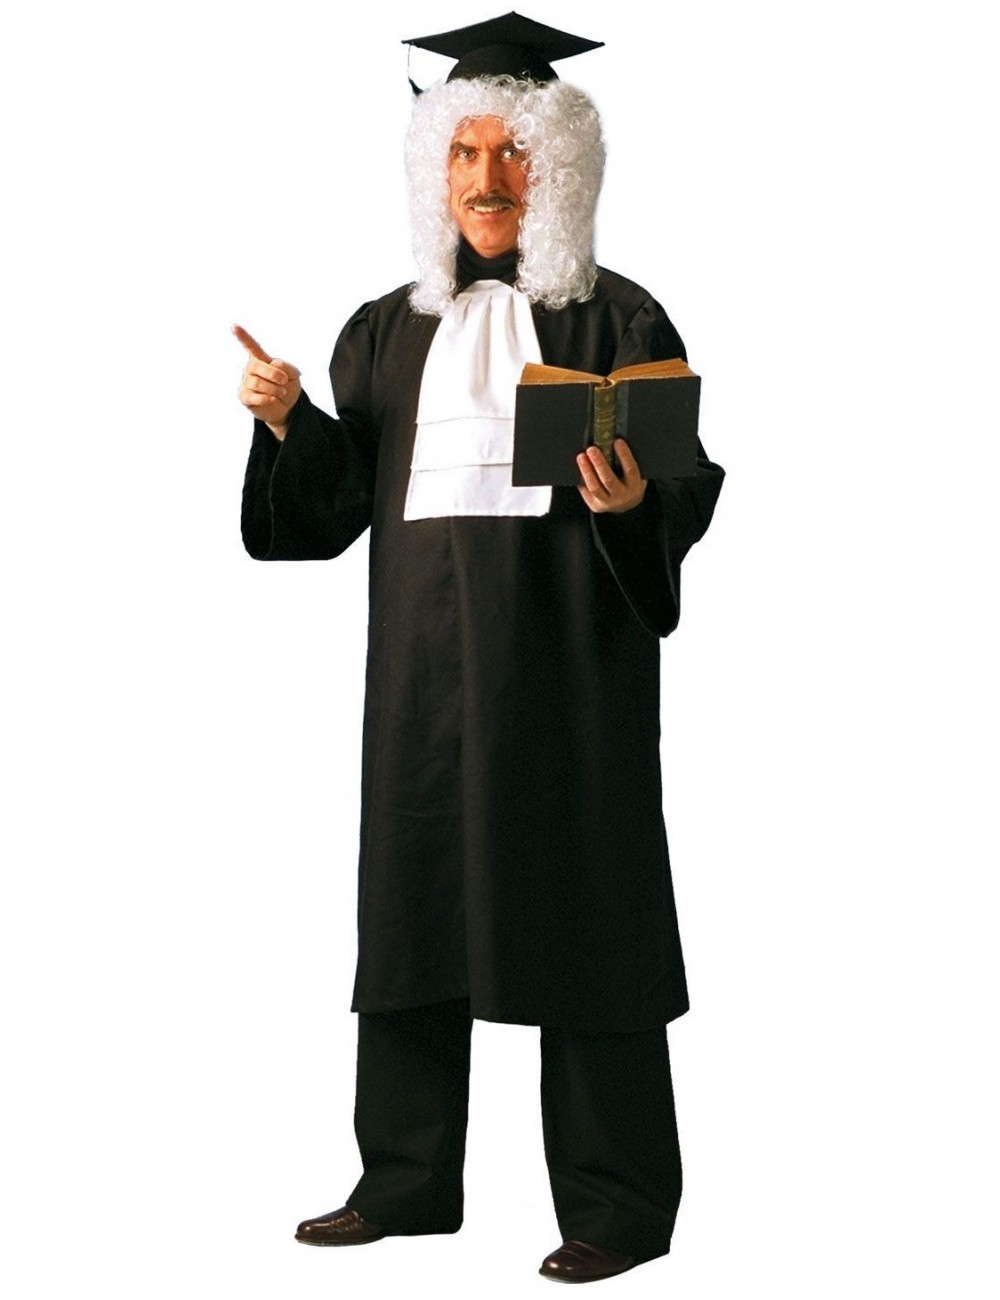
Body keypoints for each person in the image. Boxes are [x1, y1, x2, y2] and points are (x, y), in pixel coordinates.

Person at [235, 12, 724, 1285]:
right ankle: (403, 1182)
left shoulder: (621, 318)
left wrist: (636, 504)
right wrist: (290, 425)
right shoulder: (383, 328)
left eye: (514, 153)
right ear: (433, 172)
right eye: (463, 153)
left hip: (570, 678)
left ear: (558, 170)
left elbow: (682, 485)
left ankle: (618, 1206)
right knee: (412, 916)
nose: (488, 178)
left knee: (591, 916)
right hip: (422, 681)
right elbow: (335, 503)